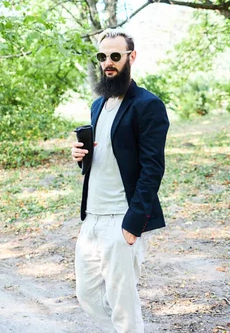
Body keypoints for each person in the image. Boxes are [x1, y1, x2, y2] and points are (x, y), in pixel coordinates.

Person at [70, 28, 170, 332]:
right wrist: (81, 156)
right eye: (103, 56)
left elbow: (153, 168)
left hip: (122, 218)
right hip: (92, 218)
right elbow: (106, 158)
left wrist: (133, 223)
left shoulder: (147, 105)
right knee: (86, 294)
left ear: (131, 57)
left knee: (123, 303)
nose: (108, 62)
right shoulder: (98, 104)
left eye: (115, 55)